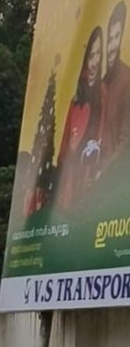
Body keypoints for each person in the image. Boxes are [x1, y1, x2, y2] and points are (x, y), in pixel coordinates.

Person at [55, 26, 106, 210]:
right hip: (70, 179)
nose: (94, 62)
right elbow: (64, 144)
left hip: (92, 176)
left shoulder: (103, 94)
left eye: (98, 55)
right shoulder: (76, 99)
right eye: (91, 56)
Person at [102, 1, 130, 164]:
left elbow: (126, 141)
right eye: (110, 38)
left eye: (117, 37)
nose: (112, 45)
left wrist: (104, 173)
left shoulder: (127, 80)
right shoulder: (101, 84)